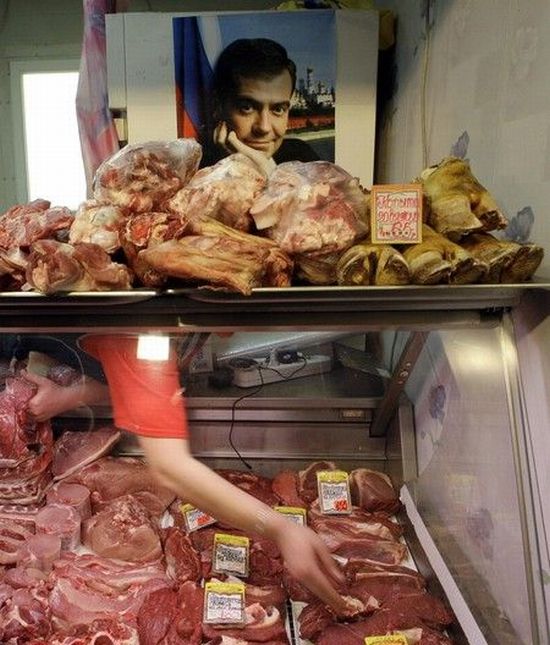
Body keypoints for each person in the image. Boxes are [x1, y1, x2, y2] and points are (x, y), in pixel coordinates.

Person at [11, 331, 349, 614]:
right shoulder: (146, 330)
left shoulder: (167, 325)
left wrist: (76, 393)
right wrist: (281, 529)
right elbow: (170, 467)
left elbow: (132, 380)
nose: (232, 332)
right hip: (28, 435)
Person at [201, 38, 320, 173]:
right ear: (218, 106)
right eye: (247, 108)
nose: (264, 127)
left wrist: (270, 173)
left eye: (278, 109)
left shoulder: (302, 156)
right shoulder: (189, 171)